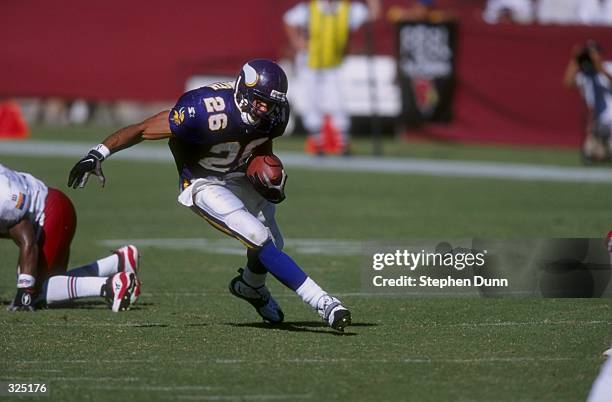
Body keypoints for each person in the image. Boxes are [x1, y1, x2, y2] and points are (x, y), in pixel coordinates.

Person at [68, 59, 352, 331]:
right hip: (202, 182)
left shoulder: (276, 114)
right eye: (260, 100)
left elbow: (261, 146)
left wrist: (267, 176)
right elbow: (143, 129)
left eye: (271, 103)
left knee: (273, 242)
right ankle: (324, 303)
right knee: (256, 236)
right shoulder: (204, 109)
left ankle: (250, 287)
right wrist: (98, 153)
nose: (265, 109)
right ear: (242, 89)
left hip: (238, 174)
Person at [1, 163, 140, 312]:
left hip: (52, 213)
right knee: (48, 282)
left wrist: (25, 290)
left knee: (37, 290)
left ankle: (111, 286)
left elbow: (28, 240)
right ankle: (118, 262)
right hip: (48, 210)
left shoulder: (5, 198)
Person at [283, 0, 381, 155]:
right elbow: (289, 19)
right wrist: (297, 41)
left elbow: (373, 14)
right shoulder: (310, 9)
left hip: (333, 63)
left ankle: (343, 142)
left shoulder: (346, 9)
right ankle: (317, 141)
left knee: (338, 100)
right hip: (310, 62)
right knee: (311, 100)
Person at [563, 41, 612, 163]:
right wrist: (575, 60)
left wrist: (598, 65)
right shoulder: (586, 74)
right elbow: (568, 83)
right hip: (596, 122)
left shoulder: (607, 67)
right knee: (591, 156)